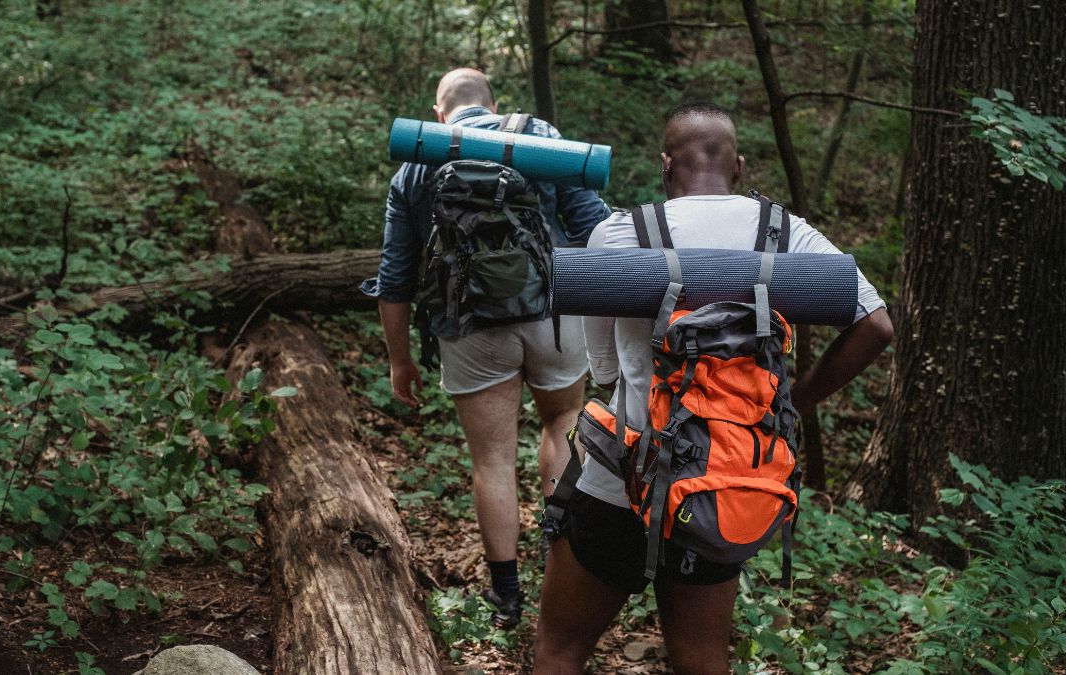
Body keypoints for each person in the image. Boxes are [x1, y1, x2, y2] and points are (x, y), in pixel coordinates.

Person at [533, 102, 894, 674]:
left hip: (621, 479)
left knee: (561, 648)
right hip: (722, 482)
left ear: (664, 164)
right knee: (701, 658)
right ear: (740, 167)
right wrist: (795, 402)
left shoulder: (621, 232)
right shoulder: (784, 232)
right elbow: (877, 325)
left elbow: (603, 368)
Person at [361, 68, 611, 627]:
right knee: (563, 420)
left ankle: (505, 597)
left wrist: (400, 359)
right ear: (496, 104)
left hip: (468, 324)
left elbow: (396, 276)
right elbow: (593, 226)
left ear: (438, 111)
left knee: (492, 459)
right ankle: (561, 568)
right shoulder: (539, 139)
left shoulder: (416, 164)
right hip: (553, 313)